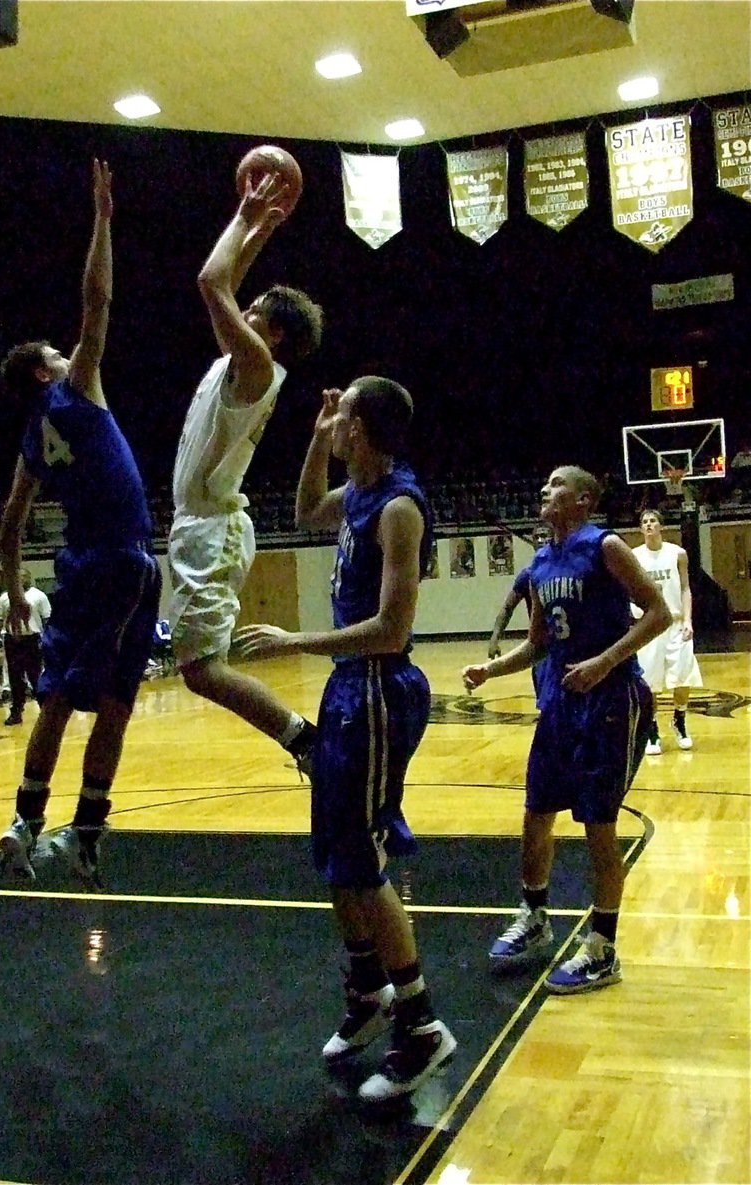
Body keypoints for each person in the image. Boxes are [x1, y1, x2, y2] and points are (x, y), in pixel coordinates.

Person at [235, 377, 456, 1103]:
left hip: (380, 686)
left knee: (362, 861)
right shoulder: (356, 494)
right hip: (347, 688)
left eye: (341, 416)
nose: (332, 425)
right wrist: (314, 432)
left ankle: (422, 1026)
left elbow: (391, 629)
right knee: (335, 854)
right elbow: (303, 510)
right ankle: (367, 992)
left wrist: (294, 638)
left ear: (361, 430)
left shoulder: (398, 506)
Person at [0, 159, 161, 884]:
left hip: (75, 567)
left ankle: (27, 818)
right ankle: (86, 828)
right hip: (121, 562)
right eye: (56, 355)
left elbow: (9, 523)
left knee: (62, 697)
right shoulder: (73, 390)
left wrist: (14, 607)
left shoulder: (32, 438)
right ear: (43, 371)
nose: (69, 355)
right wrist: (102, 218)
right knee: (114, 703)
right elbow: (97, 303)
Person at [462, 466, 670, 994]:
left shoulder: (605, 546)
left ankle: (602, 949)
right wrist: (492, 669)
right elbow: (537, 644)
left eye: (555, 484)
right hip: (557, 705)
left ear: (581, 499)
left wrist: (604, 661)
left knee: (598, 825)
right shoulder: (539, 562)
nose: (543, 488)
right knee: (536, 816)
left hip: (610, 701)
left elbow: (658, 612)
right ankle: (535, 917)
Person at [167, 170, 324, 777]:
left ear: (273, 332)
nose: (245, 307)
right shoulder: (245, 358)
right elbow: (227, 283)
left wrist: (243, 214)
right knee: (197, 668)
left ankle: (303, 740)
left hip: (213, 525)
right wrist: (261, 226)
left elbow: (211, 282)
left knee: (203, 671)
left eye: (256, 310)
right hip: (199, 523)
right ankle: (303, 740)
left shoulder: (257, 363)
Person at [631, 509, 702, 754]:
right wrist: (636, 612)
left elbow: (685, 588)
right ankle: (652, 731)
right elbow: (629, 592)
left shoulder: (677, 554)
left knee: (683, 677)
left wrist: (688, 620)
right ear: (641, 529)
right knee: (649, 683)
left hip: (675, 624)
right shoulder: (634, 557)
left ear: (661, 526)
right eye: (645, 522)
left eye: (653, 521)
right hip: (649, 627)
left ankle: (679, 721)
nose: (649, 525)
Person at [487, 525, 553, 701]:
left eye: (544, 535)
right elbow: (507, 607)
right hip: (540, 646)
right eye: (537, 537)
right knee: (545, 703)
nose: (540, 540)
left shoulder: (567, 568)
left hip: (567, 645)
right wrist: (495, 638)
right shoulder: (528, 575)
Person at [0, 569, 52, 726]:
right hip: (12, 640)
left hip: (32, 640)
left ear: (29, 578)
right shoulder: (5, 597)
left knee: (36, 676)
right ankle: (17, 711)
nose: (21, 579)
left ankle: (45, 710)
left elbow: (47, 620)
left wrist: (48, 639)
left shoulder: (39, 596)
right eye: (18, 577)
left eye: (24, 577)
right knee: (15, 677)